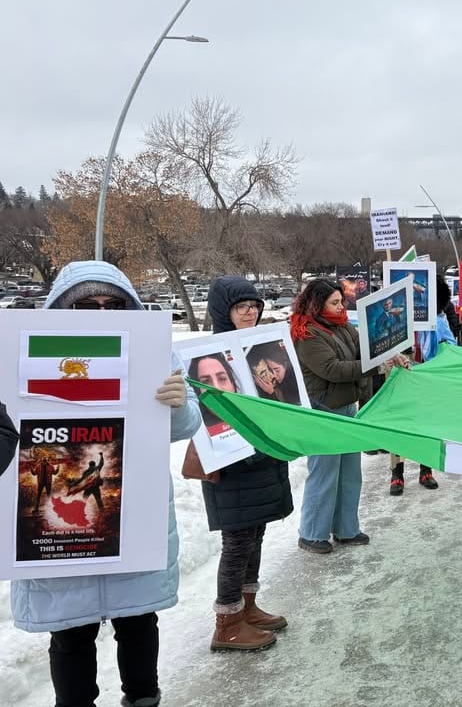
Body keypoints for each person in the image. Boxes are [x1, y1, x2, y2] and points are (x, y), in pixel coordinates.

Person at [2, 260, 201, 707]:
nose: (103, 313)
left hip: (129, 521)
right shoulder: (22, 353)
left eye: (115, 304)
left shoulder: (153, 353)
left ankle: (143, 699)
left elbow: (182, 426)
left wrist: (178, 405)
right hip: (58, 531)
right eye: (88, 305)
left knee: (138, 627)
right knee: (71, 639)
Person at [200, 276, 293, 651]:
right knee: (237, 540)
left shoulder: (261, 347)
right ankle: (227, 622)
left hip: (263, 454)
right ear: (225, 311)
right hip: (232, 462)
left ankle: (247, 607)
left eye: (255, 306)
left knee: (255, 534)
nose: (251, 312)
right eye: (242, 307)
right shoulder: (206, 355)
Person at [292, 278, 406, 553]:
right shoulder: (307, 334)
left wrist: (393, 354)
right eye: (334, 302)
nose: (340, 306)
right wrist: (376, 366)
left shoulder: (343, 326)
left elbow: (366, 349)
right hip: (323, 412)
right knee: (324, 474)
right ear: (316, 304)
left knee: (349, 473)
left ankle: (345, 529)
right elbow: (333, 369)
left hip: (347, 408)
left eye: (341, 301)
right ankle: (311, 534)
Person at [389, 278, 453, 494]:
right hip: (401, 376)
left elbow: (450, 345)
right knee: (399, 424)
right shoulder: (395, 318)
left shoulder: (438, 320)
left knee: (427, 423)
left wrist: (444, 349)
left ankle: (426, 469)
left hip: (426, 379)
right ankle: (396, 473)